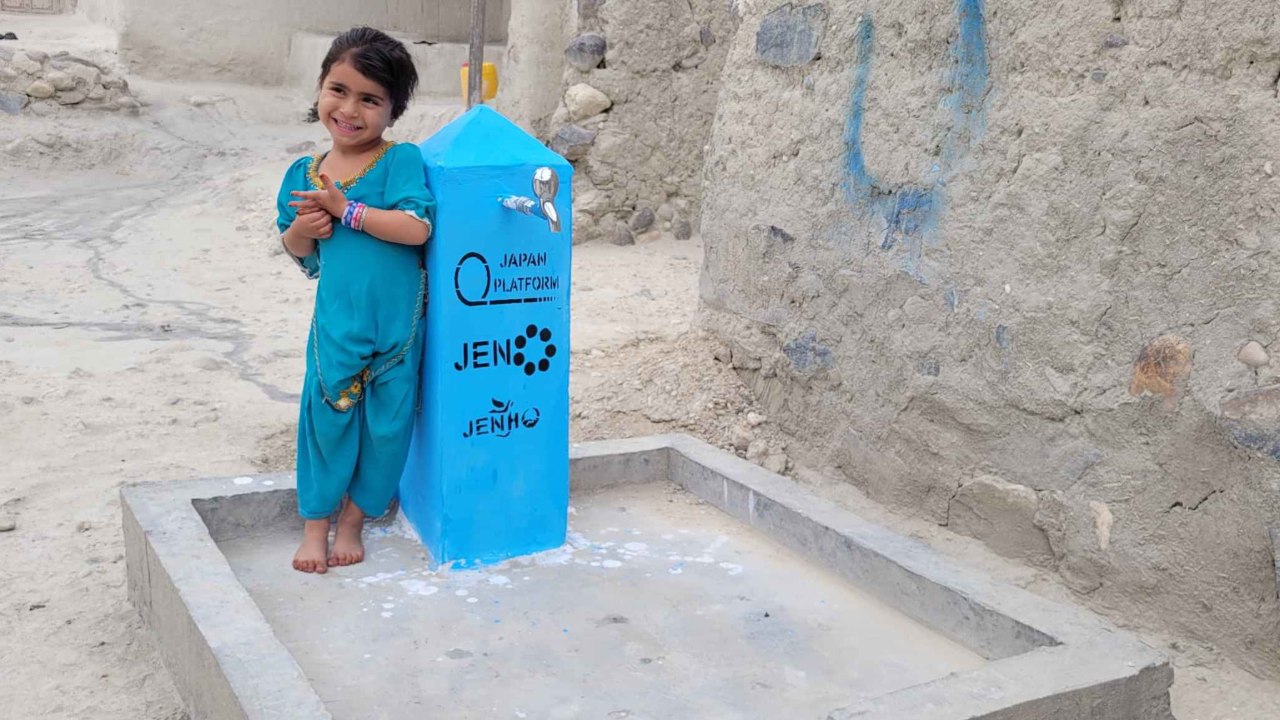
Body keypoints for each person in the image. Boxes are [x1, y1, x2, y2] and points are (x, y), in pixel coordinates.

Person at [276, 27, 434, 573]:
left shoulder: (399, 160)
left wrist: (348, 212)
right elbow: (302, 256)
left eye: (370, 99)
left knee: (388, 427)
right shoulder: (302, 175)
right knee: (325, 422)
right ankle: (316, 525)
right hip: (337, 327)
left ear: (393, 110)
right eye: (338, 90)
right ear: (321, 86)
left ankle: (353, 520)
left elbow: (416, 228)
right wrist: (304, 229)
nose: (349, 109)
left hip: (397, 330)